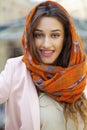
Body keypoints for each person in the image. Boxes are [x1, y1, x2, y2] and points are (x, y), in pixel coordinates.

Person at [0, 0, 87, 130]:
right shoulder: (16, 69)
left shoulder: (81, 71)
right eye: (39, 35)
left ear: (66, 38)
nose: (46, 44)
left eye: (55, 35)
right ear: (30, 36)